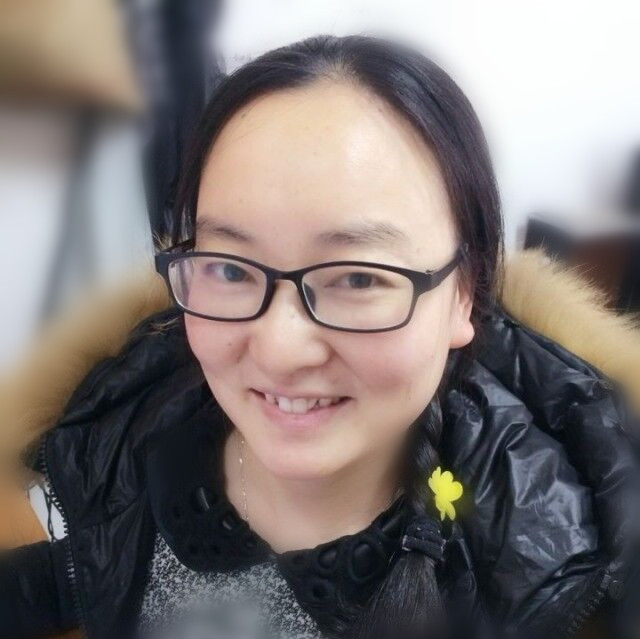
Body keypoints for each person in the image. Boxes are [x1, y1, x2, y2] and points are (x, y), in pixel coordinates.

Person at [1, 33, 640, 639]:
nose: (279, 349)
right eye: (231, 269)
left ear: (464, 293)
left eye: (358, 278)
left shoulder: (557, 573)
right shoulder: (105, 443)